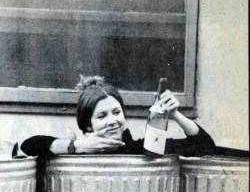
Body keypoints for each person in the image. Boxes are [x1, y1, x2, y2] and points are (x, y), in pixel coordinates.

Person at [21, 76, 216, 157]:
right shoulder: (77, 152)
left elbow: (205, 146)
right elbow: (28, 145)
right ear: (87, 125)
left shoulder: (141, 149)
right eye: (102, 116)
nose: (113, 120)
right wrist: (77, 147)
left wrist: (175, 114)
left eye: (116, 112)